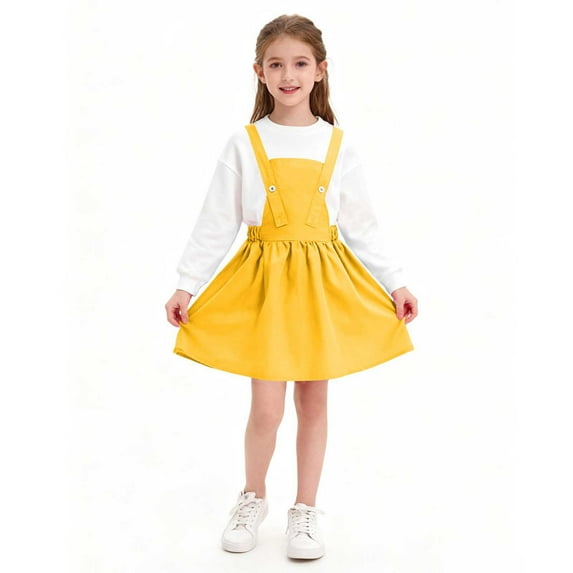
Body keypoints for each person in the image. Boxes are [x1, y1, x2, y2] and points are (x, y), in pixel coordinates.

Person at [164, 14, 418, 560]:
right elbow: (217, 220)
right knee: (266, 409)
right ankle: (252, 497)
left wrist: (395, 282)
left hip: (322, 287)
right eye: (276, 64)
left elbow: (362, 224)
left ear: (321, 70)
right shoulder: (245, 141)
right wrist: (187, 283)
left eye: (300, 63)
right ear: (259, 71)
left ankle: (305, 510)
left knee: (313, 401)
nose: (288, 75)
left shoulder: (338, 145)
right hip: (266, 290)